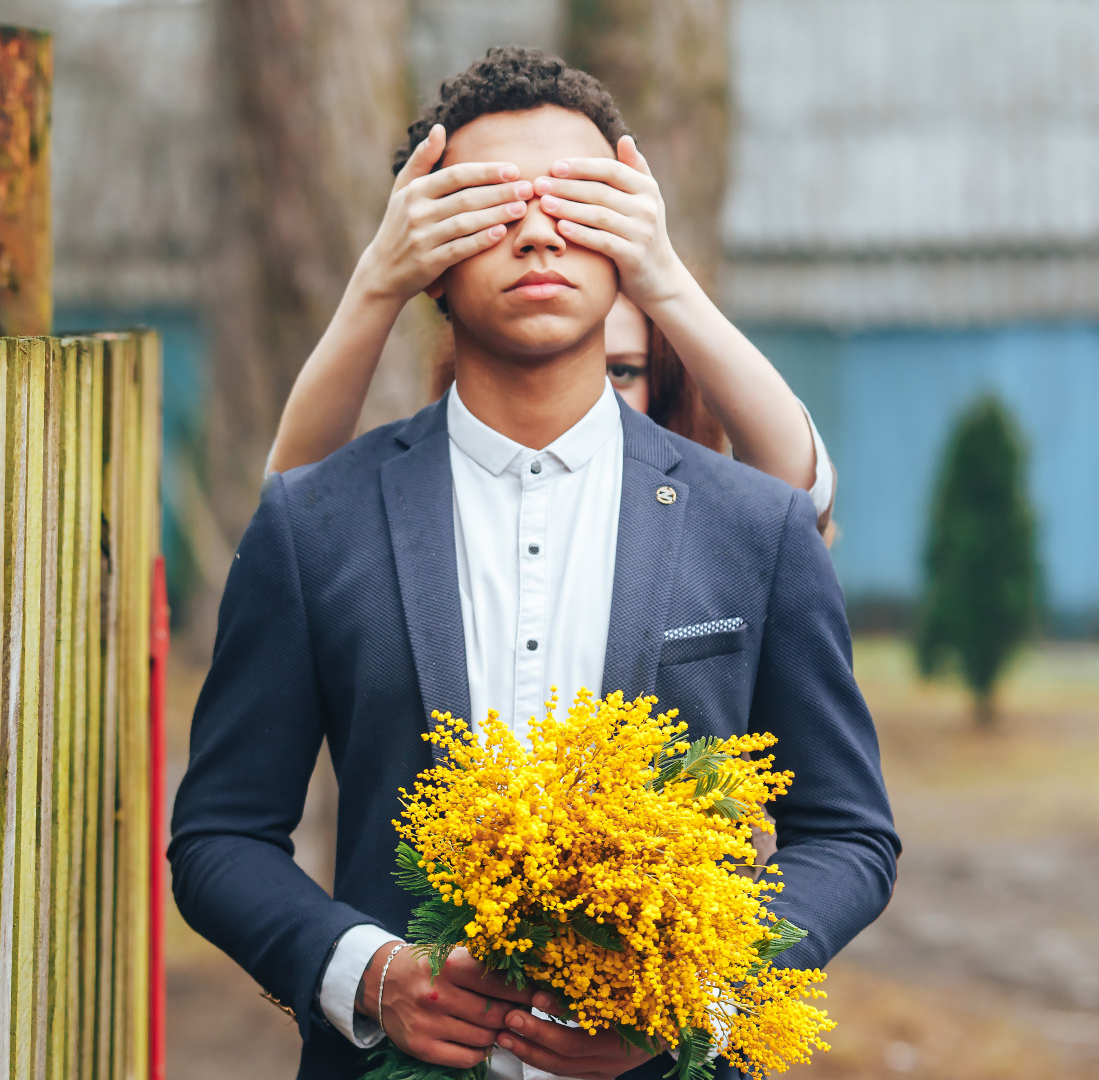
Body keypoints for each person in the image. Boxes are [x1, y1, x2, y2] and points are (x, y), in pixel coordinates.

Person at [169, 48, 898, 1080]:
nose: (541, 230)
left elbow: (849, 836)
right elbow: (218, 838)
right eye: (491, 205)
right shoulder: (314, 523)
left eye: (579, 200)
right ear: (428, 251)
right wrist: (369, 975)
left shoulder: (758, 526)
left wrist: (693, 999)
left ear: (631, 239)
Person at [265, 106, 837, 534]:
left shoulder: (718, 520)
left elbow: (798, 495)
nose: (539, 234)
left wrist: (664, 276)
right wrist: (377, 280)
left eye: (624, 370)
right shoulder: (385, 507)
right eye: (495, 207)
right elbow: (290, 520)